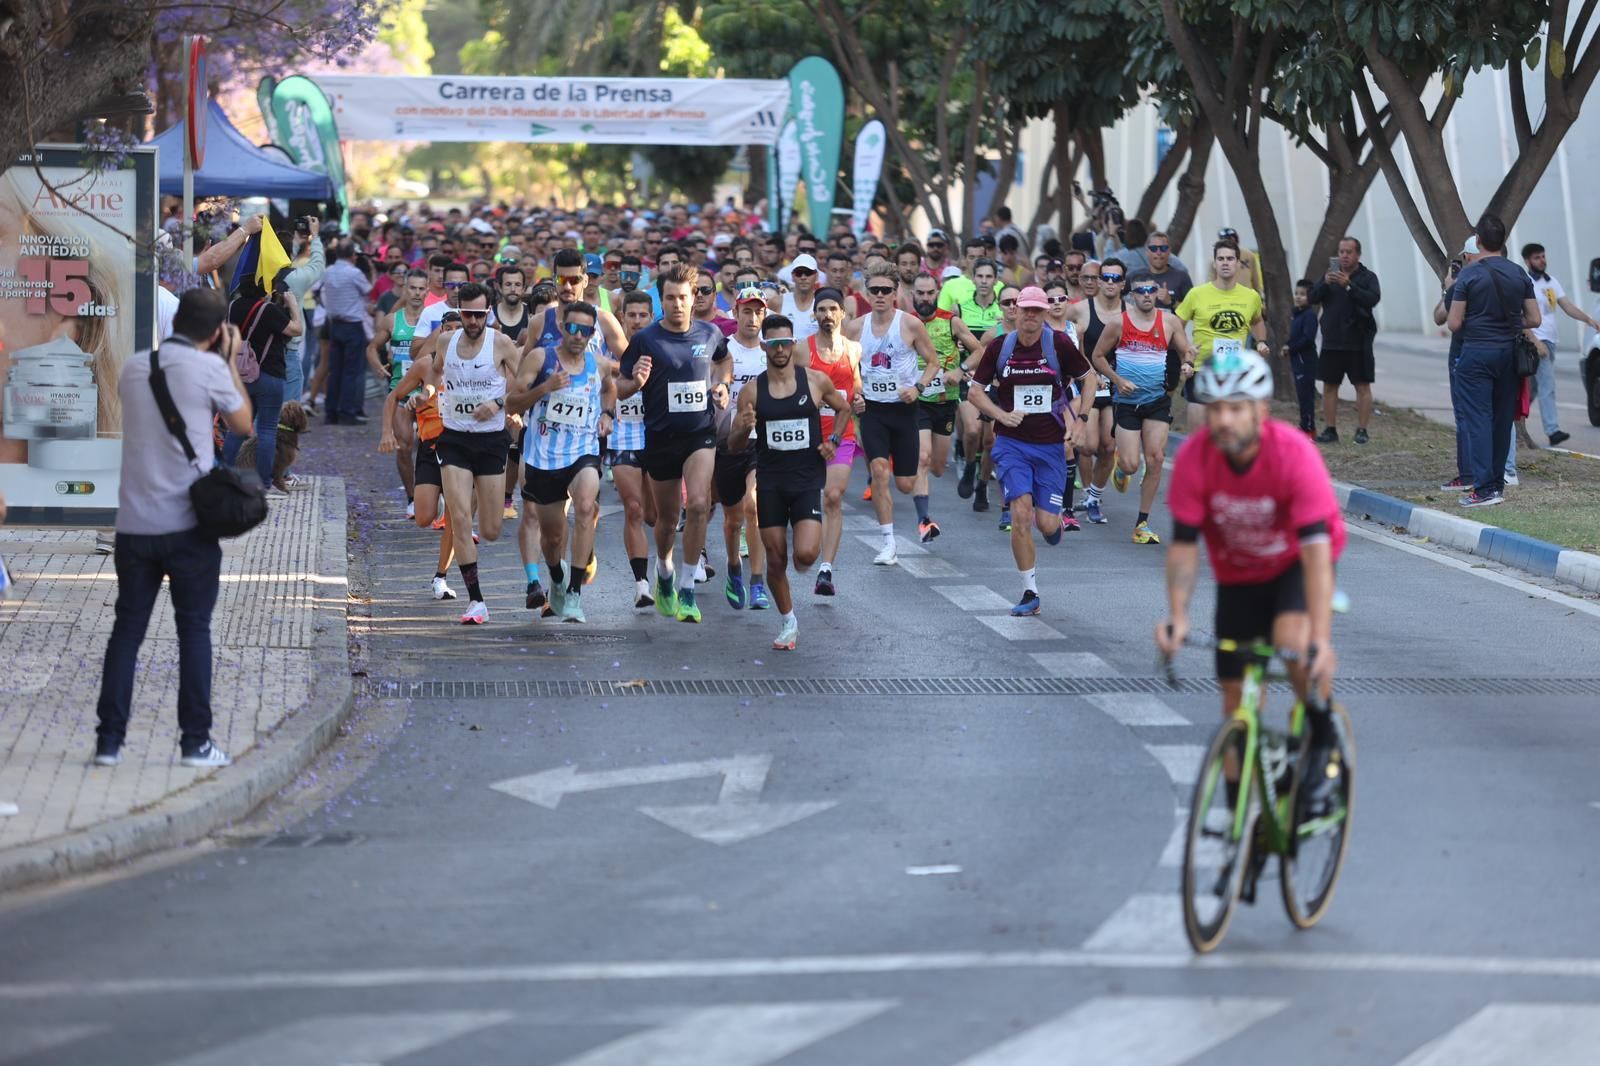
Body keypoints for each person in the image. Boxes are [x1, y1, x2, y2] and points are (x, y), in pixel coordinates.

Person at [1156, 348, 1345, 805]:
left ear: (1260, 410)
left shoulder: (1293, 454)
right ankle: (1242, 821)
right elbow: (1183, 548)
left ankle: (1322, 737)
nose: (1223, 421)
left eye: (1236, 408)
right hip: (1239, 574)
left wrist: (1321, 638)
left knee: (1292, 642)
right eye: (1215, 409)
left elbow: (1318, 554)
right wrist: (1178, 616)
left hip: (1296, 564)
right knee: (1236, 702)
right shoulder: (1196, 459)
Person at [95, 289, 254, 769]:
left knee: (126, 632)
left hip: (134, 524)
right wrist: (226, 361)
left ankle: (109, 743)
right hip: (189, 528)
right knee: (194, 632)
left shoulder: (134, 366)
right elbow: (243, 424)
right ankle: (194, 743)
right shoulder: (209, 369)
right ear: (216, 332)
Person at [967, 286, 1094, 617]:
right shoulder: (1000, 347)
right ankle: (1030, 591)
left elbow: (1090, 379)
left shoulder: (1058, 344)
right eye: (1025, 309)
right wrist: (999, 415)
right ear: (1016, 311)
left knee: (1046, 524)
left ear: (1044, 314)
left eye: (1038, 310)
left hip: (1050, 445)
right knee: (1021, 513)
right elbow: (975, 392)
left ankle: (1056, 525)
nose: (1031, 316)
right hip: (1012, 444)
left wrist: (1080, 421)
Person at [727, 314, 852, 650]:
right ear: (765, 346)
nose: (780, 350)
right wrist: (742, 426)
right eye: (774, 344)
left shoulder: (814, 381)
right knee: (776, 557)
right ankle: (789, 622)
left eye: (786, 343)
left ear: (792, 344)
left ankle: (802, 552)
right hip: (770, 480)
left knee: (807, 555)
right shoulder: (752, 391)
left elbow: (844, 409)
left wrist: (835, 442)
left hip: (807, 478)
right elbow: (734, 446)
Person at [617, 262, 732, 623]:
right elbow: (619, 389)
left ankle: (687, 587)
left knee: (698, 505)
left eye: (683, 297)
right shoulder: (645, 339)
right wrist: (635, 382)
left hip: (700, 434)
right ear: (661, 299)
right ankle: (664, 570)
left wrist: (723, 383)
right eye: (669, 298)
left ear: (694, 297)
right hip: (661, 437)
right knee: (665, 520)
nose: (677, 304)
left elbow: (724, 359)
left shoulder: (709, 333)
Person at [506, 300, 615, 623]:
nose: (578, 335)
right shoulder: (541, 358)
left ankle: (575, 594)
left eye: (585, 330)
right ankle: (556, 576)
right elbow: (512, 401)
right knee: (552, 539)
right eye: (572, 328)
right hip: (543, 458)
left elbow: (609, 389)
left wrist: (607, 414)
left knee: (585, 506)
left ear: (592, 333)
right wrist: (544, 388)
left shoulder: (598, 363)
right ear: (562, 328)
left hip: (582, 451)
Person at [432, 283, 522, 621]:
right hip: (454, 438)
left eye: (478, 315)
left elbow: (526, 381)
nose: (472, 321)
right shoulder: (446, 341)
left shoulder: (500, 344)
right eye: (467, 313)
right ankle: (476, 600)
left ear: (489, 313)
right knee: (457, 516)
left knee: (491, 529)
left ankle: (476, 590)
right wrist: (428, 390)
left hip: (490, 440)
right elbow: (435, 369)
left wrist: (499, 402)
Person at [845, 263, 943, 566]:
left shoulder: (910, 325)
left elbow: (933, 362)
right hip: (872, 411)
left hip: (904, 411)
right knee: (877, 471)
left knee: (904, 483)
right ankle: (888, 543)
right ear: (866, 292)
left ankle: (918, 516)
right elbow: (846, 370)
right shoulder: (853, 328)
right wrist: (855, 397)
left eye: (886, 290)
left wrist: (918, 387)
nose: (880, 295)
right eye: (874, 290)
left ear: (895, 292)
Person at [1091, 272, 1197, 544]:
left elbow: (1185, 349)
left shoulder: (1170, 321)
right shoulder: (1118, 324)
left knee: (1156, 458)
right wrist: (1117, 380)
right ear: (1131, 294)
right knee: (1130, 463)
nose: (1147, 295)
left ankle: (1142, 524)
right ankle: (1121, 468)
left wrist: (1187, 362)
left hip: (1157, 400)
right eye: (1141, 291)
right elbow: (1098, 356)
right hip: (1126, 402)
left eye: (1151, 290)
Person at [1447, 214, 1541, 507]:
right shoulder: (1518, 274)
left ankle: (1483, 488)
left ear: (1477, 241)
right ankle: (1497, 486)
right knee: (1502, 420)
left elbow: (1453, 323)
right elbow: (1535, 318)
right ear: (1503, 241)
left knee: (1478, 419)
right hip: (1509, 354)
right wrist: (1511, 321)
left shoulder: (1469, 275)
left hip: (1477, 353)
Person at [713, 286, 773, 611]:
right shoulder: (724, 351)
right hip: (729, 441)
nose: (752, 318)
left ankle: (758, 581)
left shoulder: (769, 353)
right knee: (732, 519)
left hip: (761, 441)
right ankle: (734, 568)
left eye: (758, 312)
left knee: (754, 506)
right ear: (735, 313)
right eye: (746, 311)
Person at [1176, 242, 1271, 431]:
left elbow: (1257, 320)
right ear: (1214, 263)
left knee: (1231, 432)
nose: (1225, 263)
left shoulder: (1251, 296)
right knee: (1200, 435)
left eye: (1230, 259)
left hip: (1235, 372)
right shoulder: (1197, 294)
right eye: (1220, 259)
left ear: (1237, 263)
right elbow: (1176, 325)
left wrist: (1261, 342)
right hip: (1202, 370)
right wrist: (1186, 350)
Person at [223, 273, 301, 497]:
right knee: (267, 429)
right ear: (265, 289)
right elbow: (296, 330)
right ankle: (265, 482)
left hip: (241, 376)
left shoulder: (233, 307)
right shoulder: (268, 310)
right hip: (268, 375)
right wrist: (293, 305)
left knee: (237, 428)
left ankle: (225, 477)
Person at [806, 288, 862, 596]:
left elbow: (855, 386)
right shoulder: (804, 350)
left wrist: (860, 398)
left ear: (842, 313)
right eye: (821, 309)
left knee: (833, 496)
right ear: (814, 314)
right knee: (807, 498)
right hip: (808, 435)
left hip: (842, 433)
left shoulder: (854, 349)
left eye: (833, 309)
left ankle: (825, 569)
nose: (827, 315)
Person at [1521, 242, 1598, 447]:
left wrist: (1588, 319)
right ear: (1527, 261)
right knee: (1547, 385)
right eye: (1537, 257)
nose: (1542, 260)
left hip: (1551, 341)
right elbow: (1520, 317)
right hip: (1537, 342)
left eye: (1543, 256)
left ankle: (1512, 421)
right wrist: (1535, 341)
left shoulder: (1551, 282)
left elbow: (1567, 306)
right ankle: (1552, 430)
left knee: (1534, 388)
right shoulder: (1525, 282)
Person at [610, 289, 659, 608]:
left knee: (658, 517)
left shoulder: (662, 352)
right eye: (632, 315)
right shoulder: (610, 356)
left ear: (651, 318)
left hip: (657, 440)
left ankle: (664, 566)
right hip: (622, 440)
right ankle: (642, 583)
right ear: (622, 319)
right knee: (634, 509)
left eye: (643, 315)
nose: (638, 321)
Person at [367, 269, 429, 515]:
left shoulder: (434, 318)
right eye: (412, 288)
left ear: (427, 291)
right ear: (405, 289)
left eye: (421, 288)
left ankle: (432, 493)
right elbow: (372, 347)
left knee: (430, 447)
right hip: (400, 390)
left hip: (427, 393)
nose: (416, 293)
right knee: (404, 446)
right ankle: (413, 498)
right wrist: (378, 366)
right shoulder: (393, 320)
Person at [1310, 237, 1381, 444]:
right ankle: (1330, 429)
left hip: (1359, 340)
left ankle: (1362, 430)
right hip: (1332, 340)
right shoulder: (1329, 276)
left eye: (1349, 252)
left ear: (1358, 255)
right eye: (1341, 251)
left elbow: (1372, 299)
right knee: (1330, 386)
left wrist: (1349, 286)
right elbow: (1312, 298)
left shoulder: (1367, 277)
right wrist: (1325, 282)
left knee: (1362, 386)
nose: (1344, 256)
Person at [320, 242, 375, 426]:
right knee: (352, 371)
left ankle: (331, 411)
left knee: (335, 370)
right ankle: (347, 411)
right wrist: (372, 271)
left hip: (335, 324)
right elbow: (369, 291)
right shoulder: (355, 273)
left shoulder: (328, 271)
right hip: (353, 325)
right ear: (353, 255)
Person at [1285, 280, 1320, 435]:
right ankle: (1303, 424)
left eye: (1302, 294)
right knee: (1301, 395)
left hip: (1305, 362)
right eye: (1296, 294)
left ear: (1310, 297)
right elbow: (1294, 336)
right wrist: (1287, 345)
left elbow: (1307, 338)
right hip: (1297, 360)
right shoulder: (1296, 314)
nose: (1298, 297)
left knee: (1306, 396)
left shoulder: (1309, 316)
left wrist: (1290, 347)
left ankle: (1309, 428)